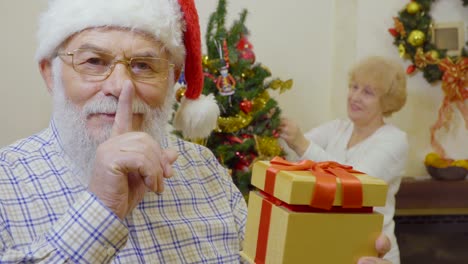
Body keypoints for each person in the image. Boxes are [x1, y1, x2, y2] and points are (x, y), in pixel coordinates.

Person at [0, 1, 392, 263]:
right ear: (51, 74)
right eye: (93, 61)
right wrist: (103, 207)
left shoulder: (205, 170)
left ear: (173, 83)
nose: (121, 87)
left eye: (143, 66)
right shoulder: (6, 181)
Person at [280, 56, 409, 264]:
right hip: (332, 245)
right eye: (354, 87)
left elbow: (356, 185)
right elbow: (290, 153)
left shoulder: (394, 140)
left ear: (386, 102)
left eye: (367, 92)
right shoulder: (337, 128)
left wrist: (301, 143)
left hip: (374, 254)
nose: (355, 97)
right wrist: (273, 124)